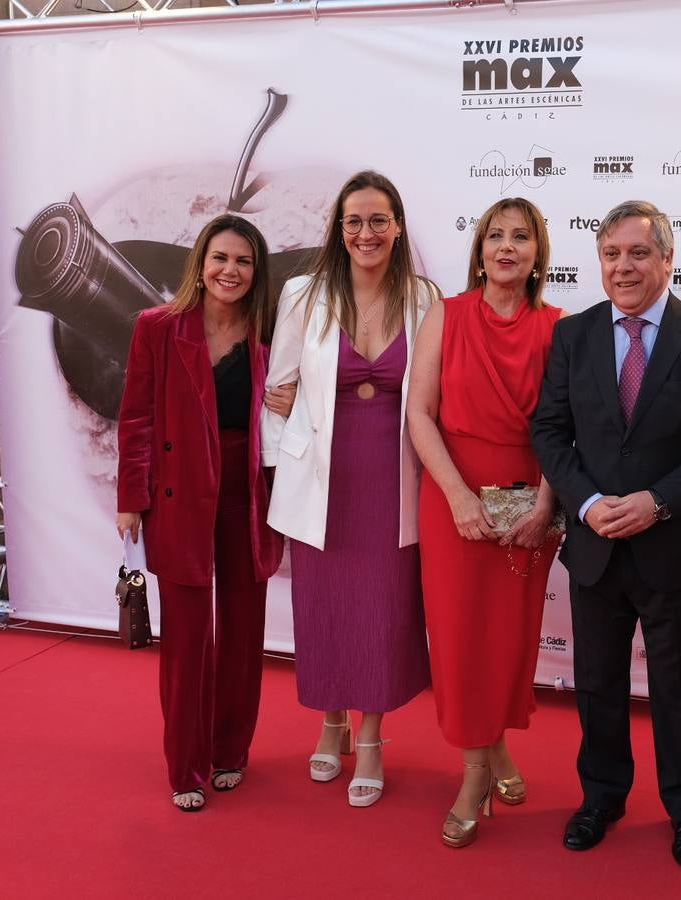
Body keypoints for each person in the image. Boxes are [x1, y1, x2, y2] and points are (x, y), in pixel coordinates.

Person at [530, 200, 681, 871]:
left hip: (673, 546)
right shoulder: (574, 335)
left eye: (638, 253)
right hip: (595, 546)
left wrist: (657, 502)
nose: (624, 267)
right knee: (596, 683)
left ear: (666, 259)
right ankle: (601, 798)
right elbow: (548, 431)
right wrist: (589, 502)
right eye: (611, 254)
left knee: (679, 690)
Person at [261, 171, 437, 808]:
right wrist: (281, 469)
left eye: (378, 220)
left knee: (383, 611)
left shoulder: (425, 298)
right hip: (319, 482)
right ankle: (329, 722)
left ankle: (370, 738)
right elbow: (276, 389)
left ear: (397, 228)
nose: (367, 232)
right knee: (325, 609)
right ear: (339, 230)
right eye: (354, 221)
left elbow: (436, 396)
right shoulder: (304, 294)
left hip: (393, 481)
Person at [116, 214, 288, 812]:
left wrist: (287, 402)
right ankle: (185, 767)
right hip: (180, 494)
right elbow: (136, 417)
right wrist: (131, 501)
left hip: (246, 493)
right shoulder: (158, 328)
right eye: (220, 258)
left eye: (243, 261)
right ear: (200, 263)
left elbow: (300, 413)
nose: (230, 271)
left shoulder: (272, 332)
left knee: (243, 633)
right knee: (188, 640)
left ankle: (229, 752)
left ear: (257, 271)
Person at [407, 197, 564, 848]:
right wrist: (458, 497)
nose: (506, 246)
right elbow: (419, 413)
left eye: (520, 237)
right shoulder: (445, 314)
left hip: (530, 500)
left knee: (506, 637)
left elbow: (566, 430)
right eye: (494, 236)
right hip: (452, 498)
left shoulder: (561, 327)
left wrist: (546, 506)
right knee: (459, 637)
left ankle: (494, 745)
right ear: (478, 251)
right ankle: (476, 772)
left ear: (537, 255)